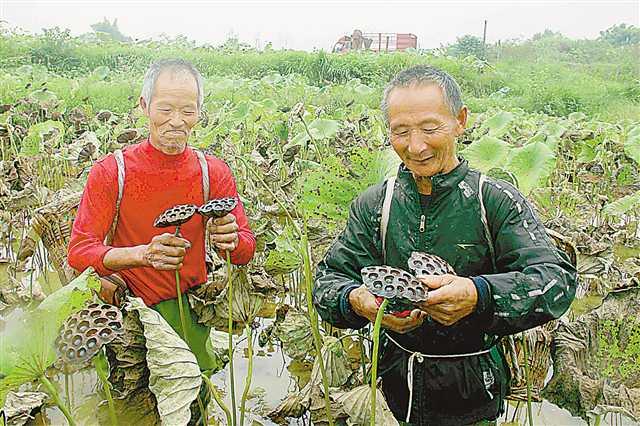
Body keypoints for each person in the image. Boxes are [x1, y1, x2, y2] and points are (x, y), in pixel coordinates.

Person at [313, 65, 576, 425]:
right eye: (400, 131)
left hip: (473, 393)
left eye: (430, 128)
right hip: (391, 392)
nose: (416, 145)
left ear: (460, 120)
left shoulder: (493, 200)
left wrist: (478, 294)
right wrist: (356, 301)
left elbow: (555, 282)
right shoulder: (376, 204)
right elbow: (327, 282)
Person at [68, 59, 256, 372]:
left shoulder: (214, 172)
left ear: (199, 111)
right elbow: (79, 252)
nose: (177, 122)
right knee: (133, 410)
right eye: (165, 109)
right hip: (130, 314)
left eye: (188, 111)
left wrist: (231, 239)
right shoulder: (113, 172)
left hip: (193, 310)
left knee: (195, 402)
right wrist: (142, 254)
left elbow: (245, 250)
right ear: (145, 105)